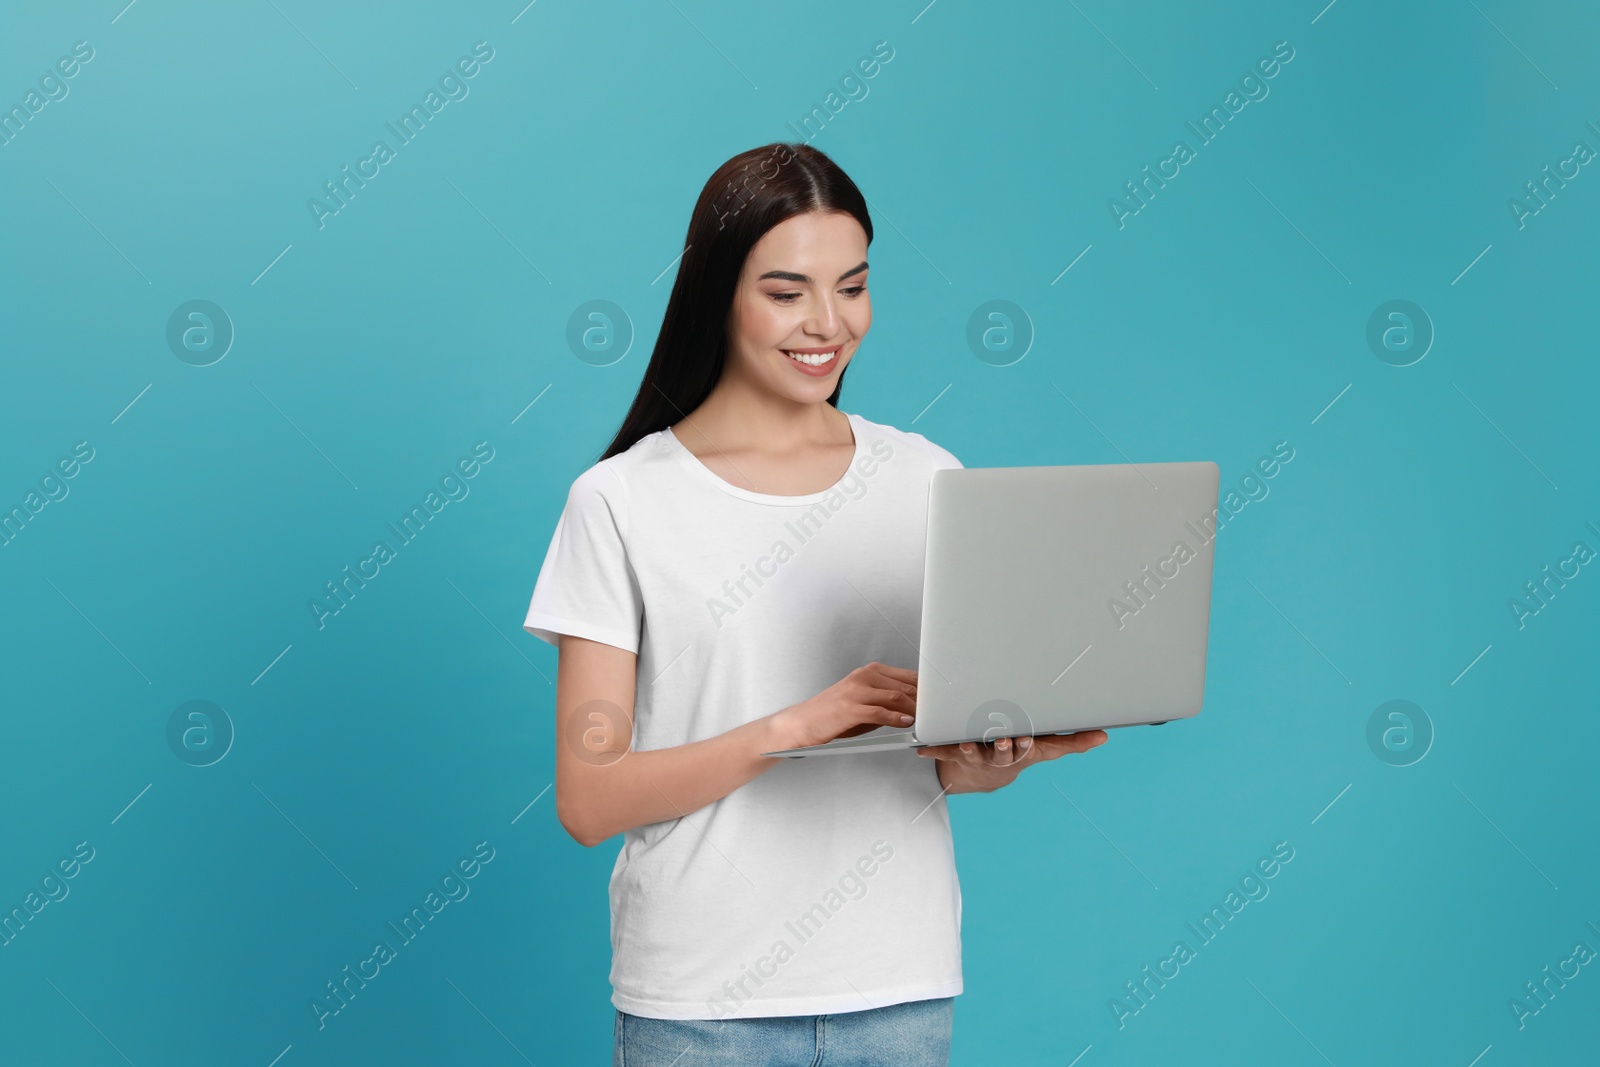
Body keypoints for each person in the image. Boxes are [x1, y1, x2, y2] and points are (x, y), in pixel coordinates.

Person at [522, 142, 1109, 1067]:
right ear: (719, 294)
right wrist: (791, 727)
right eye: (787, 291)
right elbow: (590, 800)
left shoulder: (926, 478)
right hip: (701, 1002)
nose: (828, 323)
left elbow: (935, 767)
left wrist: (990, 759)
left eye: (854, 285)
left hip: (898, 986)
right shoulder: (620, 502)